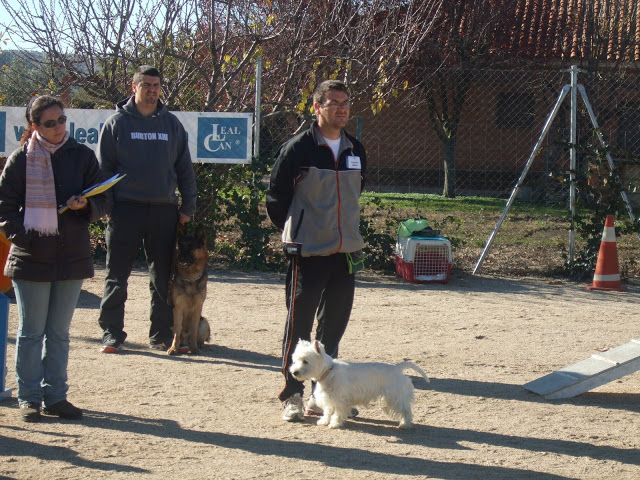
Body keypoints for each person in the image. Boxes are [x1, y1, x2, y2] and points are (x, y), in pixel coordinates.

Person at [0, 95, 108, 422]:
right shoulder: (20, 160)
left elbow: (104, 199)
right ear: (34, 126)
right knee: (32, 332)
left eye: (62, 120)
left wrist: (85, 206)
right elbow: (4, 209)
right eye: (50, 123)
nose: (59, 127)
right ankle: (29, 398)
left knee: (59, 333)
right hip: (31, 257)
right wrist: (27, 236)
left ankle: (56, 397)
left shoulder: (82, 155)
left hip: (71, 256)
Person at [266, 79, 367, 421]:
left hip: (344, 252)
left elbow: (355, 196)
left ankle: (321, 398)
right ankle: (291, 396)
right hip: (307, 252)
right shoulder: (298, 149)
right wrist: (298, 229)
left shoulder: (356, 149)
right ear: (317, 108)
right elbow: (276, 198)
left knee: (332, 330)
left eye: (345, 102)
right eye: (333, 102)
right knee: (299, 329)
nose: (341, 108)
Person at [97, 65, 197, 353]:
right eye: (146, 85)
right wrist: (108, 206)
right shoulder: (116, 123)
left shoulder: (172, 125)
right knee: (117, 275)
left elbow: (184, 169)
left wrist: (187, 205)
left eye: (156, 85)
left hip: (164, 210)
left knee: (162, 277)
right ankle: (112, 333)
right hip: (125, 210)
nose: (152, 90)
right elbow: (104, 170)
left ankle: (161, 335)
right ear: (134, 87)